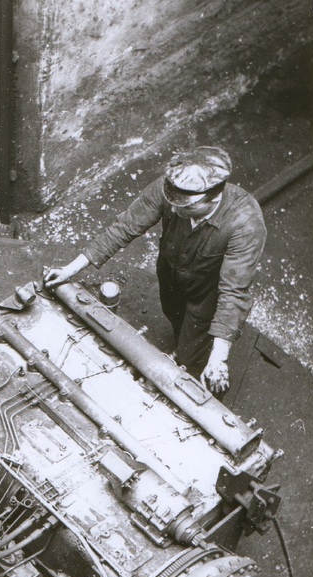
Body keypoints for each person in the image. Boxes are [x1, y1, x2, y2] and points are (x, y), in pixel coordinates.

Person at [43, 146, 267, 395]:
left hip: (207, 294)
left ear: (213, 198)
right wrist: (70, 269)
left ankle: (189, 365)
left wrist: (218, 358)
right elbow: (124, 227)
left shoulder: (245, 224)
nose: (175, 210)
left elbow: (233, 292)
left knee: (192, 353)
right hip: (170, 275)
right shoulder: (171, 188)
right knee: (174, 314)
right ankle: (182, 343)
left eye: (186, 207)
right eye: (173, 202)